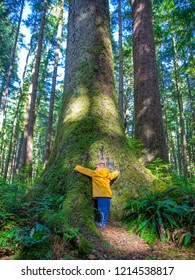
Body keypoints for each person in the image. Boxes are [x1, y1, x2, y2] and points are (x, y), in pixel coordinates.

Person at [74, 162, 119, 228]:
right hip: (107, 195)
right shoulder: (108, 175)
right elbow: (113, 175)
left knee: (102, 209)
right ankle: (103, 222)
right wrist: (117, 172)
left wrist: (77, 167)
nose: (95, 168)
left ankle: (102, 224)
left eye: (97, 167)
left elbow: (86, 171)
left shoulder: (95, 173)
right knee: (105, 209)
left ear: (100, 168)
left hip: (101, 195)